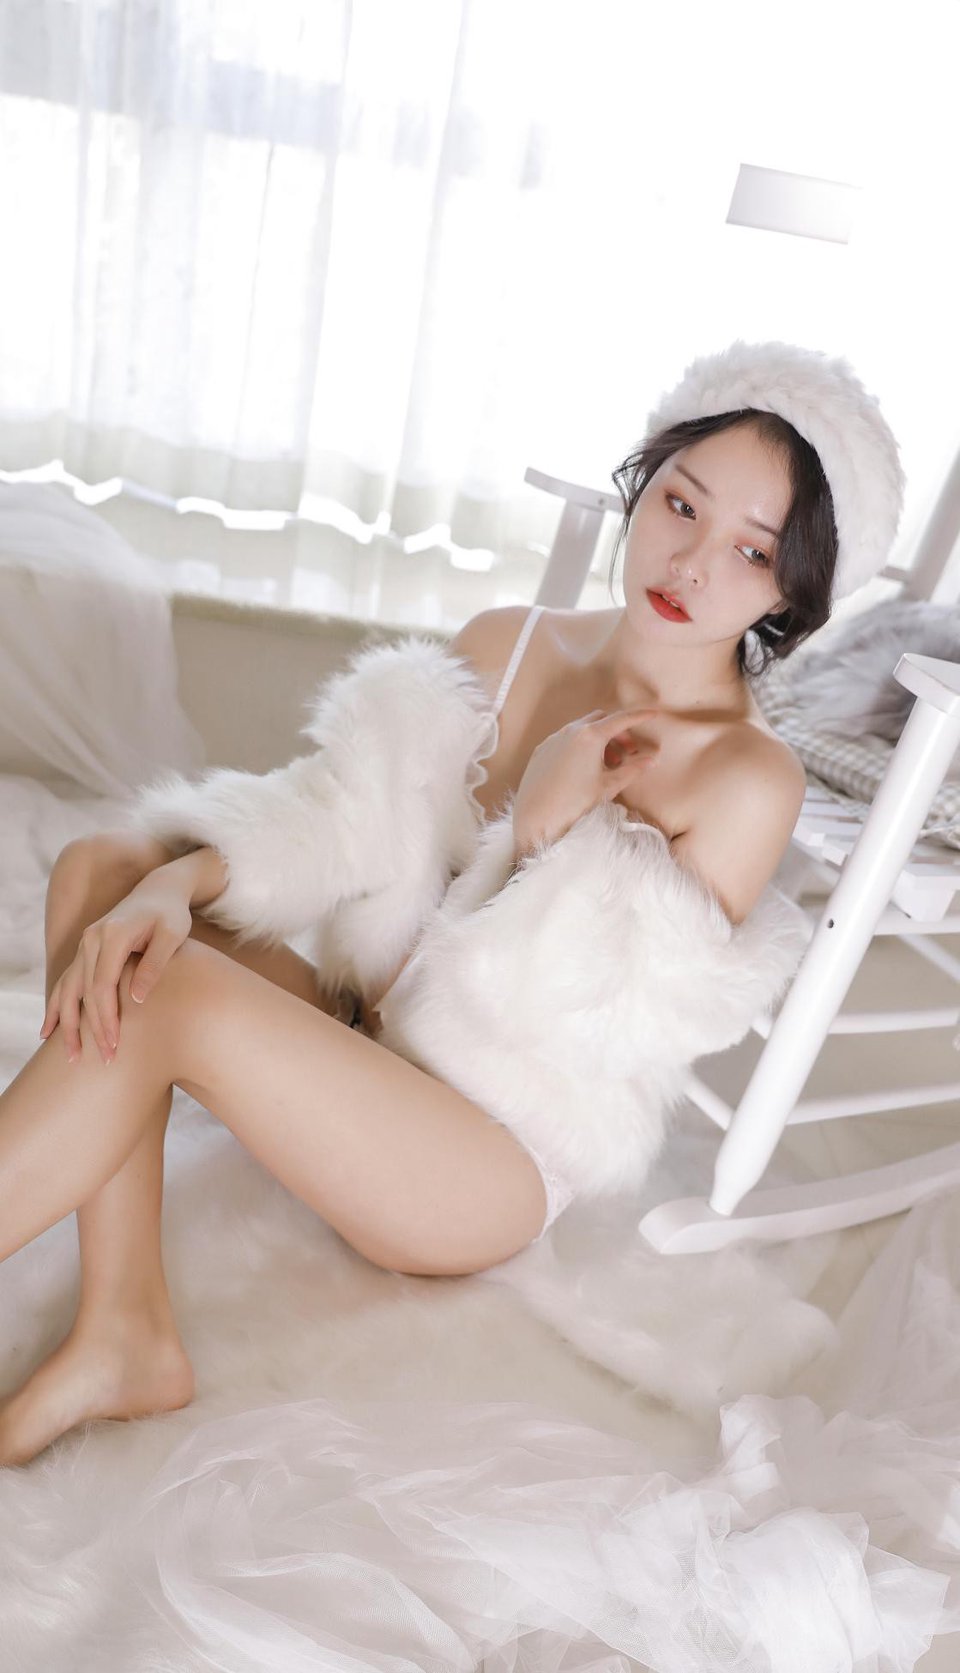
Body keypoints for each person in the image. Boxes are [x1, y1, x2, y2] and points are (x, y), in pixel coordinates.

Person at [0, 340, 904, 1466]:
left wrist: (539, 832)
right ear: (645, 480)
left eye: (753, 551)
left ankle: (123, 1328)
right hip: (359, 1037)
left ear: (789, 592)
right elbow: (339, 811)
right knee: (106, 872)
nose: (691, 560)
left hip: (485, 1157)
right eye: (682, 503)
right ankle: (122, 1321)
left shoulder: (744, 777)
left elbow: (593, 1024)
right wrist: (178, 878)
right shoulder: (511, 643)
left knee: (169, 987)